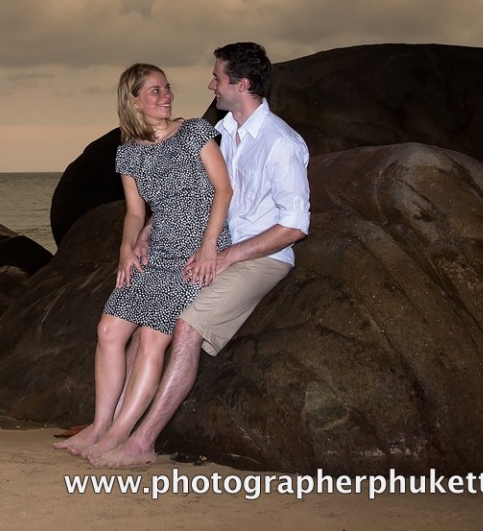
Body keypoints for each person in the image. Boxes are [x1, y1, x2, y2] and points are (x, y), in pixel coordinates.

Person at [89, 42, 309, 469]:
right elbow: (185, 190)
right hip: (215, 243)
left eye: (217, 77)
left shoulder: (281, 142)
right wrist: (146, 233)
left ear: (239, 84)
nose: (209, 84)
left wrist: (222, 254)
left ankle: (141, 441)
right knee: (125, 330)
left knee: (183, 328)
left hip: (261, 252)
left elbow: (295, 226)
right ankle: (110, 427)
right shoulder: (223, 130)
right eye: (156, 90)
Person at [57, 63, 233, 459]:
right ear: (133, 100)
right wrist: (126, 248)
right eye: (155, 90)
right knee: (108, 331)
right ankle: (100, 425)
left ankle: (121, 435)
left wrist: (209, 248)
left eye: (167, 88)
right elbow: (135, 212)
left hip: (196, 250)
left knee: (153, 336)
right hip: (157, 250)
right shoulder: (128, 154)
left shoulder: (195, 132)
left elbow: (223, 190)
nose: (166, 95)